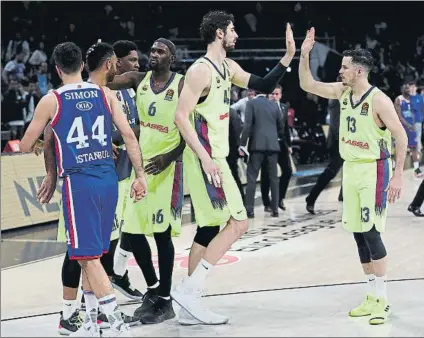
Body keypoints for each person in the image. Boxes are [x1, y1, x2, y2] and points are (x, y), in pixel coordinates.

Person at [171, 10, 295, 325]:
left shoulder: (228, 67)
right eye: (232, 29)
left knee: (209, 228)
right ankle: (190, 290)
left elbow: (265, 83)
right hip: (207, 157)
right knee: (239, 224)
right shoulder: (201, 70)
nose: (236, 34)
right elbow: (181, 117)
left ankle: (188, 305)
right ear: (218, 34)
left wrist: (290, 56)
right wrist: (204, 157)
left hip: (216, 156)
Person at [21, 41, 147, 337]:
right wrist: (140, 175)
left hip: (80, 184)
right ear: (81, 65)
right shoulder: (106, 93)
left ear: (56, 69)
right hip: (109, 179)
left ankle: (114, 322)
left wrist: (45, 143)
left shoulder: (52, 99)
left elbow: (26, 144)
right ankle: (91, 321)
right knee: (94, 253)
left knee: (87, 258)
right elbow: (128, 135)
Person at [299, 29, 408, 325]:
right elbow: (306, 82)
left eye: (344, 67)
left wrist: (398, 175)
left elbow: (401, 137)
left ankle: (382, 300)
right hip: (352, 169)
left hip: (374, 169)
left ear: (358, 70)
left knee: (372, 233)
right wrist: (304, 53)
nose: (340, 70)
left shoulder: (379, 100)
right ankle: (371, 296)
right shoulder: (342, 92)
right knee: (359, 235)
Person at [107, 38, 186, 325]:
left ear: (172, 58)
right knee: (133, 229)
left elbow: (188, 128)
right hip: (142, 167)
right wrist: (103, 58)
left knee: (161, 234)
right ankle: (154, 289)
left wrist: (170, 156)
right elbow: (108, 79)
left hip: (166, 167)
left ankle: (165, 299)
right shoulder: (138, 80)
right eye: (151, 50)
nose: (152, 54)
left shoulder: (180, 84)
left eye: (160, 51)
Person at [240, 92, 284, 218]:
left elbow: (247, 125)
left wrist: (242, 143)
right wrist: (277, 138)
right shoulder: (274, 105)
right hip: (272, 146)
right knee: (274, 178)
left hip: (256, 146)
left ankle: (250, 210)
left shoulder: (251, 103)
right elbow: (281, 125)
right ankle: (275, 209)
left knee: (252, 178)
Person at [306, 76, 344, 214]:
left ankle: (343, 195)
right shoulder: (338, 96)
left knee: (350, 168)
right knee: (332, 170)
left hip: (341, 138)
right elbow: (336, 123)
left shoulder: (339, 96)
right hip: (339, 139)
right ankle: (311, 197)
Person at [261, 85, 293, 212]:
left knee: (288, 171)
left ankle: (280, 198)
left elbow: (286, 129)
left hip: (281, 145)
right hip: (267, 145)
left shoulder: (284, 107)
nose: (274, 96)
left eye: (277, 94)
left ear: (280, 95)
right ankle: (266, 202)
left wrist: (289, 145)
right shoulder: (262, 108)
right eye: (272, 94)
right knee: (267, 174)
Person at [394, 84, 423, 178]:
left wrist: (413, 123)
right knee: (399, 147)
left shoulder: (412, 99)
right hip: (402, 127)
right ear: (401, 89)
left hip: (411, 127)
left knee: (414, 148)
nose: (407, 89)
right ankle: (395, 168)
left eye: (408, 87)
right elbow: (398, 115)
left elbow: (414, 112)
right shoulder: (399, 99)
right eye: (405, 87)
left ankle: (416, 169)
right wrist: (408, 125)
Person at [408, 81, 424, 155]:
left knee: (418, 135)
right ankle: (412, 150)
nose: (412, 88)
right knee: (411, 135)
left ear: (416, 88)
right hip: (409, 120)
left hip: (418, 119)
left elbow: (422, 108)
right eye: (411, 87)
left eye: (414, 87)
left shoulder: (420, 97)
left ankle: (418, 150)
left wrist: (422, 119)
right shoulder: (407, 97)